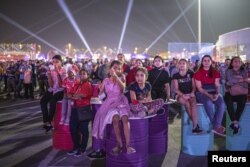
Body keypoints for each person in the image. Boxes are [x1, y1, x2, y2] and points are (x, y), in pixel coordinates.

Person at [88, 60, 135, 159]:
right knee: (115, 120)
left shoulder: (122, 77)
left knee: (125, 119)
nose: (116, 70)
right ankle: (119, 144)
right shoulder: (105, 80)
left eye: (118, 68)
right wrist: (100, 90)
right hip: (110, 103)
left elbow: (123, 89)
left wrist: (116, 77)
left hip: (121, 101)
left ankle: (128, 145)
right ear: (110, 69)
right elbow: (101, 96)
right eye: (114, 68)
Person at [194, 55, 225, 137]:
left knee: (221, 104)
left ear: (211, 62)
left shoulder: (216, 72)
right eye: (205, 60)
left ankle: (217, 126)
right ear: (202, 62)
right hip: (202, 92)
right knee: (208, 103)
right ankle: (217, 126)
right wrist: (210, 96)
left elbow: (217, 85)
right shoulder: (198, 73)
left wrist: (217, 94)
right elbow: (199, 88)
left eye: (208, 60)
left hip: (213, 90)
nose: (207, 62)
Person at [172, 59, 203, 134]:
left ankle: (195, 127)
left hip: (190, 93)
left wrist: (192, 93)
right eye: (180, 63)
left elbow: (194, 86)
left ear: (187, 65)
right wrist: (183, 95)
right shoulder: (175, 75)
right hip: (180, 94)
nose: (182, 65)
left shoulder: (191, 73)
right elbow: (176, 89)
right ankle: (195, 125)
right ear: (178, 65)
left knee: (193, 104)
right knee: (186, 103)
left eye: (183, 63)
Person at [67, 69, 92, 157]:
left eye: (84, 74)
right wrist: (74, 96)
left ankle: (83, 148)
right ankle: (76, 147)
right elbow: (68, 94)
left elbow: (83, 95)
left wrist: (74, 96)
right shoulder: (77, 84)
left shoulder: (88, 84)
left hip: (83, 109)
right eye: (80, 74)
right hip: (75, 108)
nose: (82, 75)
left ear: (87, 75)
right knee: (73, 128)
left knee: (83, 129)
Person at [40, 55, 66, 132]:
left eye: (57, 62)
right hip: (53, 88)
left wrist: (57, 72)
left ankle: (50, 121)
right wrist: (49, 76)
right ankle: (46, 121)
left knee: (52, 102)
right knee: (43, 101)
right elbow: (51, 85)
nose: (55, 63)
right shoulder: (51, 70)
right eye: (53, 62)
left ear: (61, 62)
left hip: (61, 90)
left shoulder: (64, 70)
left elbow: (62, 85)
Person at [224, 56, 249, 135]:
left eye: (239, 61)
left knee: (242, 102)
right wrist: (242, 79)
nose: (237, 63)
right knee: (228, 101)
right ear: (232, 63)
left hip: (241, 92)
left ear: (241, 63)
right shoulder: (228, 71)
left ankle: (234, 123)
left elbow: (246, 84)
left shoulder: (244, 71)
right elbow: (230, 81)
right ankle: (235, 123)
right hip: (230, 92)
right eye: (235, 61)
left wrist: (235, 81)